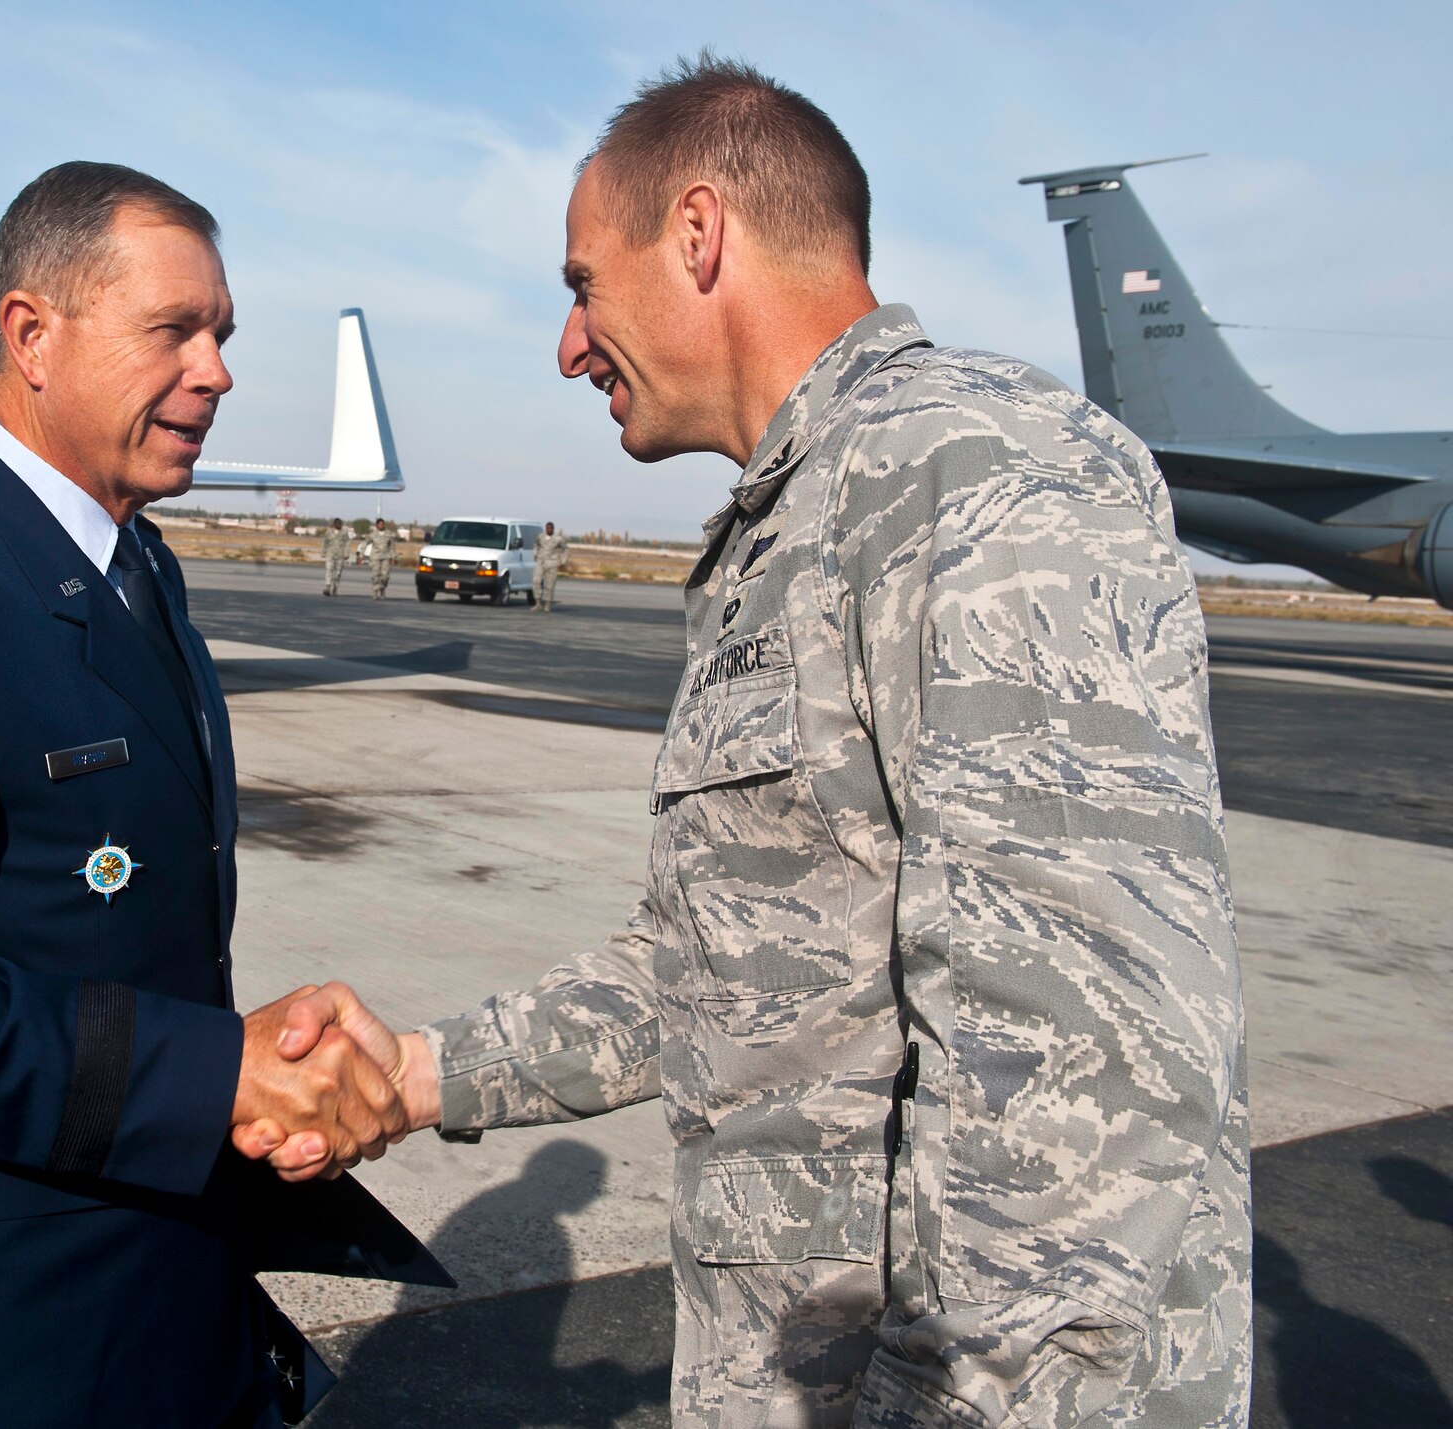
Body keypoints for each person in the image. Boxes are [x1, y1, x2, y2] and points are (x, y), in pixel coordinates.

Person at [257, 56, 1250, 1429]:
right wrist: (418, 1074)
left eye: (580, 286)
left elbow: (1082, 1087)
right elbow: (735, 970)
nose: (566, 346)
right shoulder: (795, 522)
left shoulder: (981, 475)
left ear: (700, 234)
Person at [0, 161, 409, 1429]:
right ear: (30, 335)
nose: (217, 370)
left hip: (161, 1290)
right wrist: (211, 1071)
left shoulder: (133, 567)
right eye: (175, 330)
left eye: (222, 334)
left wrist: (249, 1071)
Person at [533, 520, 570, 611]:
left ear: (553, 529)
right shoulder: (541, 537)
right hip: (541, 562)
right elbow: (536, 545)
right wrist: (535, 554)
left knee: (550, 584)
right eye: (547, 528)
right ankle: (538, 603)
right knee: (536, 581)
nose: (548, 529)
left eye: (550, 528)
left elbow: (565, 549)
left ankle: (548, 604)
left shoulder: (558, 539)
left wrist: (563, 561)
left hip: (552, 562)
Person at [366, 517, 397, 599]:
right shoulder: (372, 534)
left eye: (383, 524)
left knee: (385, 576)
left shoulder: (389, 534)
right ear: (376, 525)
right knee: (375, 575)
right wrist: (360, 553)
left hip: (386, 557)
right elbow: (365, 543)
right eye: (380, 524)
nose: (381, 525)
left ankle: (382, 589)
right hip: (375, 557)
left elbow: (392, 547)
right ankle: (375, 592)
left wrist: (393, 558)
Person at [320, 516, 350, 594]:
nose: (338, 525)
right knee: (329, 570)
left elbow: (347, 543)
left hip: (340, 555)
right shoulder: (329, 532)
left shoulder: (344, 533)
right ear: (333, 524)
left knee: (338, 573)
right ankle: (328, 587)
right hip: (330, 554)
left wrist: (347, 554)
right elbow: (324, 542)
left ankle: (335, 588)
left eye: (339, 523)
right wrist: (323, 552)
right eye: (336, 523)